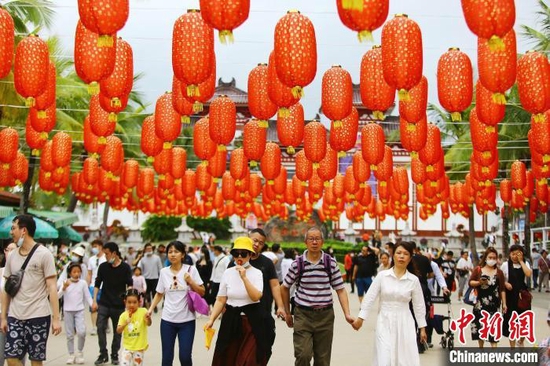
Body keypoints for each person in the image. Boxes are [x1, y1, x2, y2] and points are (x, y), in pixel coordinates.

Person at [281, 227, 354, 366]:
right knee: (303, 355)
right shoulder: (298, 264)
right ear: (305, 242)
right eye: (311, 239)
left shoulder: (330, 263)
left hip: (325, 316)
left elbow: (340, 290)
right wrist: (287, 312)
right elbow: (284, 287)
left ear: (322, 242)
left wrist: (347, 313)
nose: (314, 242)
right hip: (303, 314)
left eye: (317, 239)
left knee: (322, 360)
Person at [351, 242, 427, 366]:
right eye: (398, 253)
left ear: (410, 258)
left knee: (404, 357)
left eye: (405, 254)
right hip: (384, 320)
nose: (402, 256)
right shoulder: (382, 276)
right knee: (384, 355)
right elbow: (370, 298)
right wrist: (361, 318)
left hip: (405, 322)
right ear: (393, 255)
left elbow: (419, 305)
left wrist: (422, 327)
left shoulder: (413, 280)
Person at [1, 215, 62, 365]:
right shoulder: (12, 256)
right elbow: (6, 288)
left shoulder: (44, 254)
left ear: (24, 230)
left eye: (13, 228)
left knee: (36, 360)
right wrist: (3, 316)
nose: (10, 232)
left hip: (38, 316)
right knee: (10, 358)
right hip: (15, 316)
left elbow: (52, 287)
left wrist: (56, 318)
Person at [205, 237, 268, 366]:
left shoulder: (257, 273)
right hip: (231, 319)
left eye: (243, 253)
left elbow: (256, 297)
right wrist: (211, 319)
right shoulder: (228, 273)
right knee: (227, 358)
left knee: (247, 360)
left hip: (252, 321)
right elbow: (221, 299)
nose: (239, 256)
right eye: (236, 253)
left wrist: (244, 277)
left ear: (251, 254)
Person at [228, 228, 286, 361]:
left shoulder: (267, 263)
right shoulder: (235, 262)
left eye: (261, 243)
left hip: (262, 313)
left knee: (262, 350)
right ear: (248, 238)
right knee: (236, 353)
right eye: (255, 240)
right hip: (239, 315)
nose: (257, 244)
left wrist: (280, 306)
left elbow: (275, 285)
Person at [148, 241, 204, 366]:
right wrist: (150, 309)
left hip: (187, 321)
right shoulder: (164, 272)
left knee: (184, 357)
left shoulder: (191, 270)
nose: (173, 254)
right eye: (170, 252)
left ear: (183, 254)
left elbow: (202, 292)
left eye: (176, 251)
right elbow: (159, 293)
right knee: (167, 358)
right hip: (167, 320)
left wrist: (191, 281)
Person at [92, 242, 133, 365]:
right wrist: (94, 300)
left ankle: (114, 354)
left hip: (119, 305)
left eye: (107, 254)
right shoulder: (103, 267)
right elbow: (97, 284)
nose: (105, 256)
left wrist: (128, 302)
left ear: (114, 253)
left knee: (118, 331)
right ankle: (103, 354)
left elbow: (129, 285)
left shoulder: (125, 268)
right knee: (100, 328)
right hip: (104, 303)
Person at [469, 247, 506, 348]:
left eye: (494, 257)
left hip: (494, 305)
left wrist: (504, 304)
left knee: (494, 329)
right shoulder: (478, 270)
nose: (492, 259)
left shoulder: (499, 272)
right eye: (490, 257)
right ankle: (481, 349)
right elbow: (471, 282)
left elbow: (502, 289)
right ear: (485, 258)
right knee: (481, 328)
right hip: (480, 304)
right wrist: (479, 282)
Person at [59, 262, 93, 364]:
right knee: (69, 334)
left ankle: (80, 352)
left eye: (78, 271)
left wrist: (92, 305)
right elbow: (58, 296)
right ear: (70, 273)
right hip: (68, 310)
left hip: (79, 310)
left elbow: (87, 296)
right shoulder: (65, 282)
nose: (76, 274)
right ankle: (71, 354)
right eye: (74, 272)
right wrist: (64, 288)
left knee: (81, 332)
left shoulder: (83, 283)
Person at [501, 244, 532, 348]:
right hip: (510, 297)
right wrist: (505, 284)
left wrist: (522, 261)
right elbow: (500, 280)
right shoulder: (505, 265)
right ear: (509, 254)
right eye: (513, 254)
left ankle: (521, 340)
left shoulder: (525, 263)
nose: (515, 256)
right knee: (511, 322)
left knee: (525, 320)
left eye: (517, 254)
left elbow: (528, 274)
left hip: (523, 296)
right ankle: (512, 347)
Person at [117, 289, 152, 366]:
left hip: (139, 347)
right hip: (127, 347)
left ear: (139, 302)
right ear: (125, 302)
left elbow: (149, 324)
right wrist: (125, 323)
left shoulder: (143, 311)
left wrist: (148, 319)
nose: (132, 305)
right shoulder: (123, 316)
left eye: (134, 302)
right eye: (129, 302)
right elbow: (118, 330)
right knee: (124, 364)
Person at [0, 243, 19, 366]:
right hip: (2, 315)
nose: (10, 252)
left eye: (14, 249)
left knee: (17, 354)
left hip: (18, 315)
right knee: (1, 352)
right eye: (8, 249)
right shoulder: (0, 272)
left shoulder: (21, 272)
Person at [88, 239, 106, 336]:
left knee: (104, 307)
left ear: (101, 247)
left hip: (104, 286)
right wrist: (87, 285)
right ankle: (94, 327)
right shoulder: (91, 259)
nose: (94, 248)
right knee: (93, 307)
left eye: (96, 246)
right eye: (93, 246)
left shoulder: (106, 258)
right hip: (93, 286)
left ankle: (105, 325)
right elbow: (89, 274)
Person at [137, 243, 163, 312]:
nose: (149, 250)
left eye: (150, 248)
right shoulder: (143, 259)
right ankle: (149, 306)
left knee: (155, 294)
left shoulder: (157, 258)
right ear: (145, 250)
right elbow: (140, 269)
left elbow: (160, 268)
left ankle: (155, 306)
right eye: (147, 249)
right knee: (147, 294)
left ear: (152, 249)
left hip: (155, 278)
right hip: (146, 279)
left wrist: (161, 278)